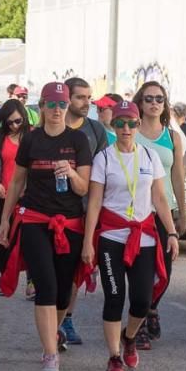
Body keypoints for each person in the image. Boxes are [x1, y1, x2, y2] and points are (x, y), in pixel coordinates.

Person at [0, 83, 92, 371]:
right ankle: (50, 354)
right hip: (36, 220)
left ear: (68, 107)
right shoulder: (31, 140)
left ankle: (55, 331)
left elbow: (84, 188)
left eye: (61, 105)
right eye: (51, 105)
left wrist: (72, 172)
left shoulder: (78, 140)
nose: (56, 110)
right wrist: (5, 221)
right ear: (41, 107)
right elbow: (16, 182)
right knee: (46, 288)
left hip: (70, 223)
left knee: (64, 293)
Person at [82, 101, 180, 371]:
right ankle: (114, 356)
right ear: (113, 126)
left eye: (131, 124)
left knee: (141, 300)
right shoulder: (104, 158)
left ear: (138, 126)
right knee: (114, 296)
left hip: (144, 237)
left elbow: (160, 198)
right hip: (112, 236)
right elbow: (95, 202)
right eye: (121, 123)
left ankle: (129, 336)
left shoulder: (150, 157)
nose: (126, 129)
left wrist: (172, 232)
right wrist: (89, 241)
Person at [130, 81, 186, 349]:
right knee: (140, 269)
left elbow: (177, 177)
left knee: (165, 267)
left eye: (160, 99)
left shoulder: (172, 137)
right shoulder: (130, 132)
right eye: (149, 98)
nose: (154, 103)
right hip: (135, 212)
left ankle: (152, 307)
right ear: (140, 102)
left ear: (165, 104)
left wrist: (183, 214)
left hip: (165, 211)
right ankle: (138, 323)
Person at [60, 77, 111, 345]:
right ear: (67, 98)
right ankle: (53, 319)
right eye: (80, 97)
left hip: (83, 211)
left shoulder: (96, 130)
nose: (86, 102)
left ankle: (66, 319)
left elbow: (104, 172)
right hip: (51, 211)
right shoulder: (52, 126)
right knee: (54, 272)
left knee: (73, 271)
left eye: (89, 97)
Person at [0, 99, 31, 285]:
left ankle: (31, 281)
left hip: (28, 197)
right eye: (9, 122)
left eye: (18, 121)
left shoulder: (32, 136)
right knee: (5, 236)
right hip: (3, 195)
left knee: (30, 238)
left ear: (24, 118)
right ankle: (5, 278)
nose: (13, 126)